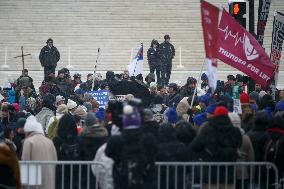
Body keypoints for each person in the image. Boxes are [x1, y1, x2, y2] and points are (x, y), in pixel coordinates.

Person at [21, 115, 57, 189]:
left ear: (28, 132)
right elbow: (55, 160)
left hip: (34, 182)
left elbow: (25, 161)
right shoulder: (49, 142)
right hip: (49, 179)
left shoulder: (28, 142)